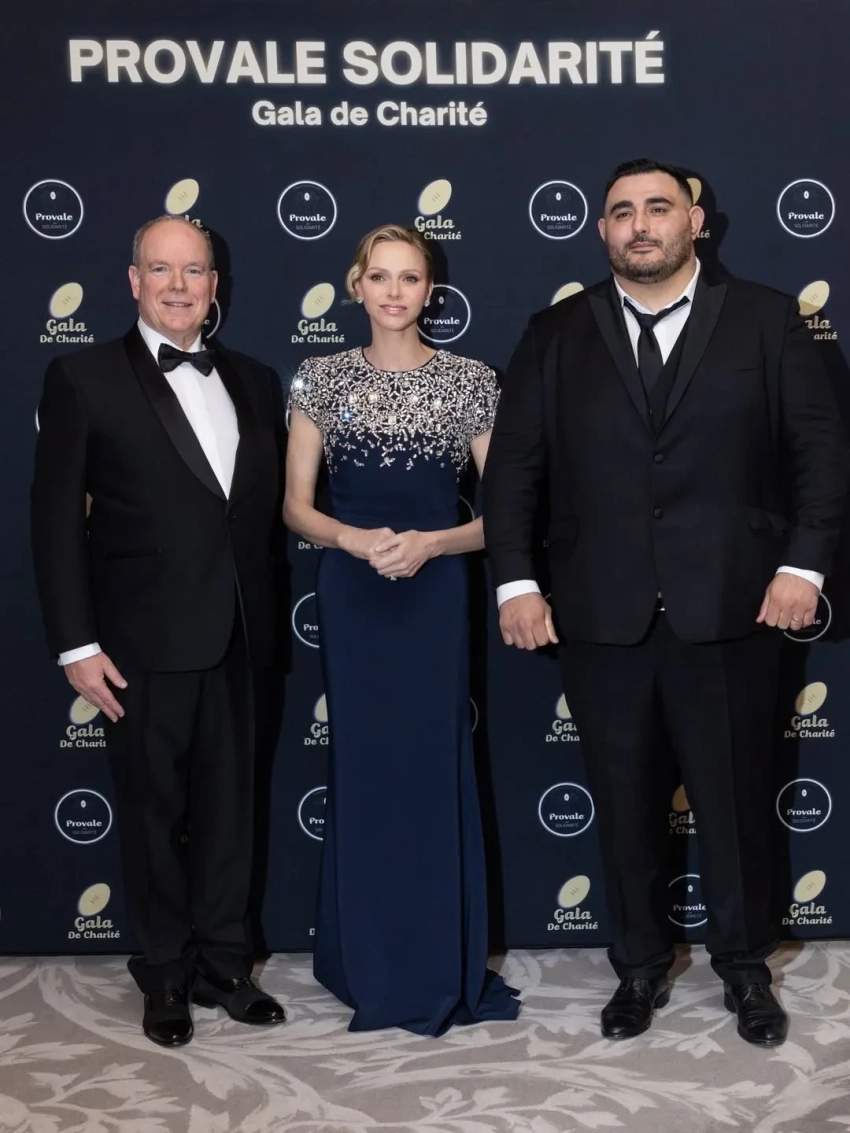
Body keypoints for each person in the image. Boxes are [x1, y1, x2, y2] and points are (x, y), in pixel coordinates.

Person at [482, 159, 847, 1047]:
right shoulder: (556, 331)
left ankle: (745, 967)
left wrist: (803, 568)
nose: (639, 224)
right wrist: (517, 580)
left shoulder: (768, 319)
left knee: (735, 802)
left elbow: (821, 455)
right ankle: (639, 966)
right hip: (599, 613)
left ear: (695, 222)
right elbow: (515, 467)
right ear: (601, 231)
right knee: (623, 805)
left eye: (657, 208)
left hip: (735, 608)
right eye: (622, 212)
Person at [31, 216, 286, 1046]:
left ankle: (225, 964)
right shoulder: (83, 377)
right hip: (140, 643)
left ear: (215, 284)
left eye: (195, 270)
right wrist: (77, 644)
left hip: (243, 636)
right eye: (162, 269)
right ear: (133, 280)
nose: (179, 285)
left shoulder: (254, 378)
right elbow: (55, 522)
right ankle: (166, 971)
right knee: (151, 814)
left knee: (232, 812)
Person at [284, 223, 520, 1034]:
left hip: (436, 591)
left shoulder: (470, 380)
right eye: (379, 276)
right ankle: (364, 956)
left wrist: (432, 544)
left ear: (430, 290)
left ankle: (435, 959)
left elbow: (504, 513)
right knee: (364, 766)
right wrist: (354, 540)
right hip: (353, 593)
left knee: (429, 764)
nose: (393, 291)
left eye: (409, 277)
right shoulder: (319, 377)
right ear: (356, 285)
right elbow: (295, 506)